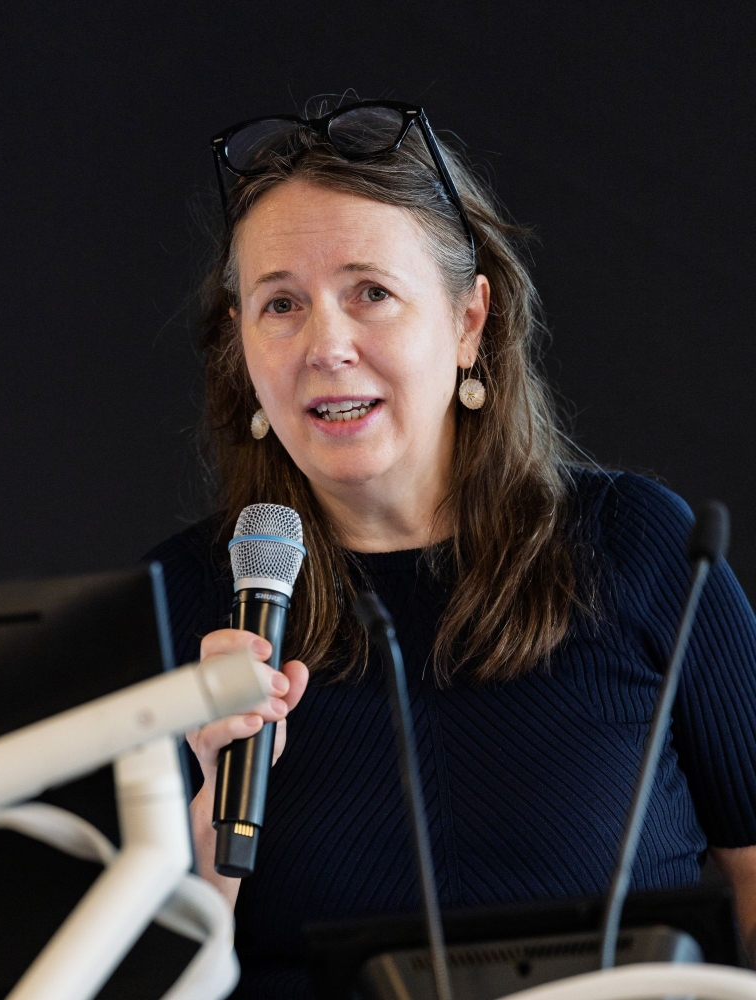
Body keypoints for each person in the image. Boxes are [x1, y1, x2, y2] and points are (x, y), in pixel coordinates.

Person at [147, 99, 756, 998]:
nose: (327, 345)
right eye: (280, 304)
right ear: (242, 347)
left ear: (470, 320)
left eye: (371, 293)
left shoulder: (644, 547)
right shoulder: (178, 608)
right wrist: (204, 845)